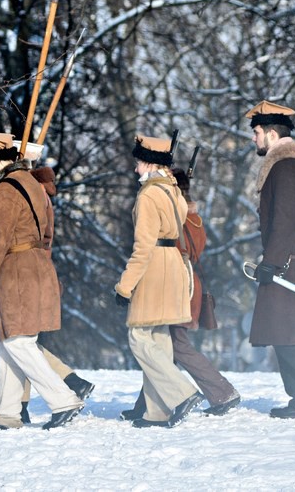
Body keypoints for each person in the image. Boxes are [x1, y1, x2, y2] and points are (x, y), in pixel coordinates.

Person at [0, 133, 84, 431]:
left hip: (17, 270)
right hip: (38, 264)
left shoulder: (6, 189)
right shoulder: (33, 183)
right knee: (10, 342)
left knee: (18, 342)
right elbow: (47, 230)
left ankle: (64, 400)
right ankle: (8, 414)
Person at [120, 167, 240, 421]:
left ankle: (222, 392)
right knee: (161, 343)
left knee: (173, 344)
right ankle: (149, 406)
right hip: (183, 279)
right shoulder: (188, 215)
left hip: (174, 281)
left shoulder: (176, 214)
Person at [114, 135, 203, 428]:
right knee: (160, 340)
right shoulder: (173, 191)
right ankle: (158, 411)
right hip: (173, 265)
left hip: (154, 267)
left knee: (138, 337)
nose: (136, 170)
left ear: (150, 163)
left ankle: (181, 393)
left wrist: (124, 286)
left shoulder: (149, 194)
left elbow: (142, 247)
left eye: (139, 163)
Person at [245, 100, 295, 419]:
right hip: (288, 261)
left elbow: (285, 220)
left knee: (288, 333)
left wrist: (272, 261)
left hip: (291, 263)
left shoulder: (287, 167)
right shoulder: (283, 166)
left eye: (256, 132)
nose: (253, 139)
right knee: (285, 333)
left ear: (271, 133)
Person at [17, 166, 95, 424]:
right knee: (21, 342)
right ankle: (67, 383)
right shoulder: (44, 200)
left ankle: (28, 402)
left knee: (19, 341)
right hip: (39, 272)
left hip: (31, 274)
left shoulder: (37, 201)